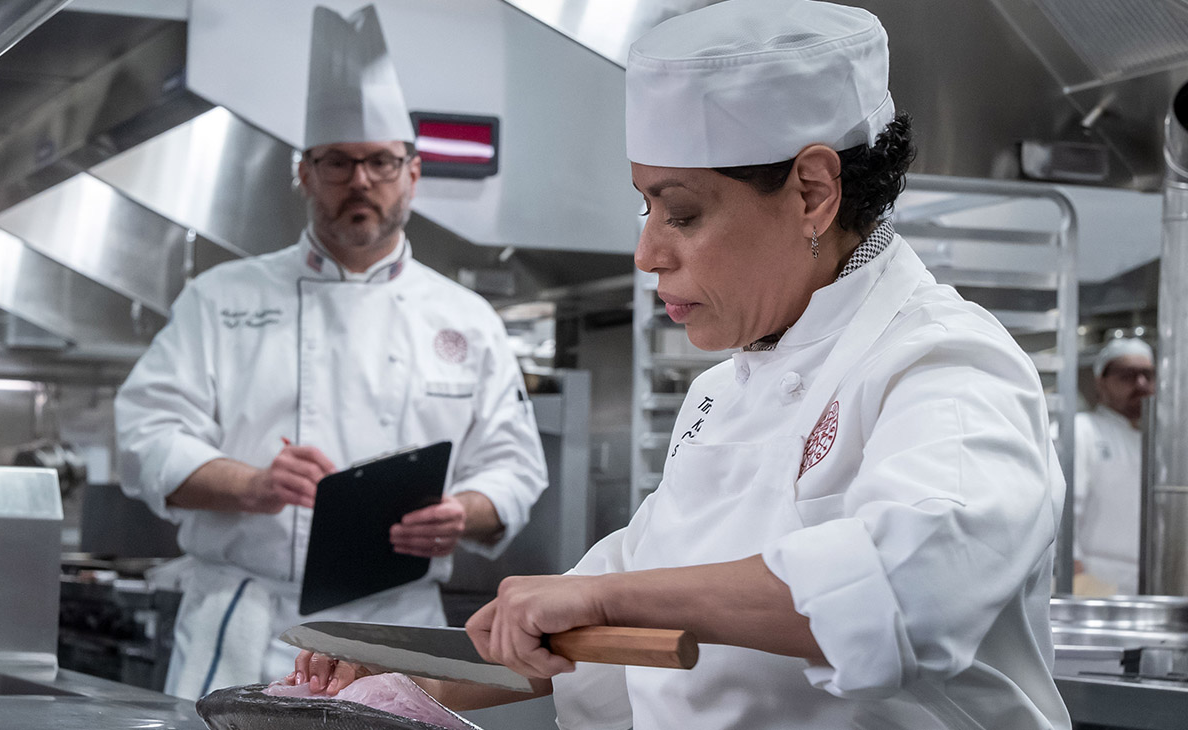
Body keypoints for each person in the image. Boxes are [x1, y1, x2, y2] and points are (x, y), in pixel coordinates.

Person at [291, 1, 1071, 727]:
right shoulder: (720, 392)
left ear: (812, 192)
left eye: (682, 213)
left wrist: (603, 595)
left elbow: (913, 583)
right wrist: (395, 687)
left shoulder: (945, 363)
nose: (646, 253)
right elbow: (592, 634)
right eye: (646, 207)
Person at [114, 5, 546, 701]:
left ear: (413, 172)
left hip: (400, 629)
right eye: (338, 162)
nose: (360, 181)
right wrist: (250, 484)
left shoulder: (466, 319)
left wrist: (462, 512)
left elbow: (516, 467)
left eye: (380, 162)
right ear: (305, 173)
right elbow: (143, 438)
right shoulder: (219, 298)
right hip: (249, 623)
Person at [1073, 337, 1155, 595]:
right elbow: (1059, 516)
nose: (1140, 384)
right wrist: (1080, 583)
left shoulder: (1156, 443)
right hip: (1091, 589)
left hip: (1147, 588)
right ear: (1101, 382)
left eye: (1147, 375)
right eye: (1127, 375)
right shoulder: (1080, 430)